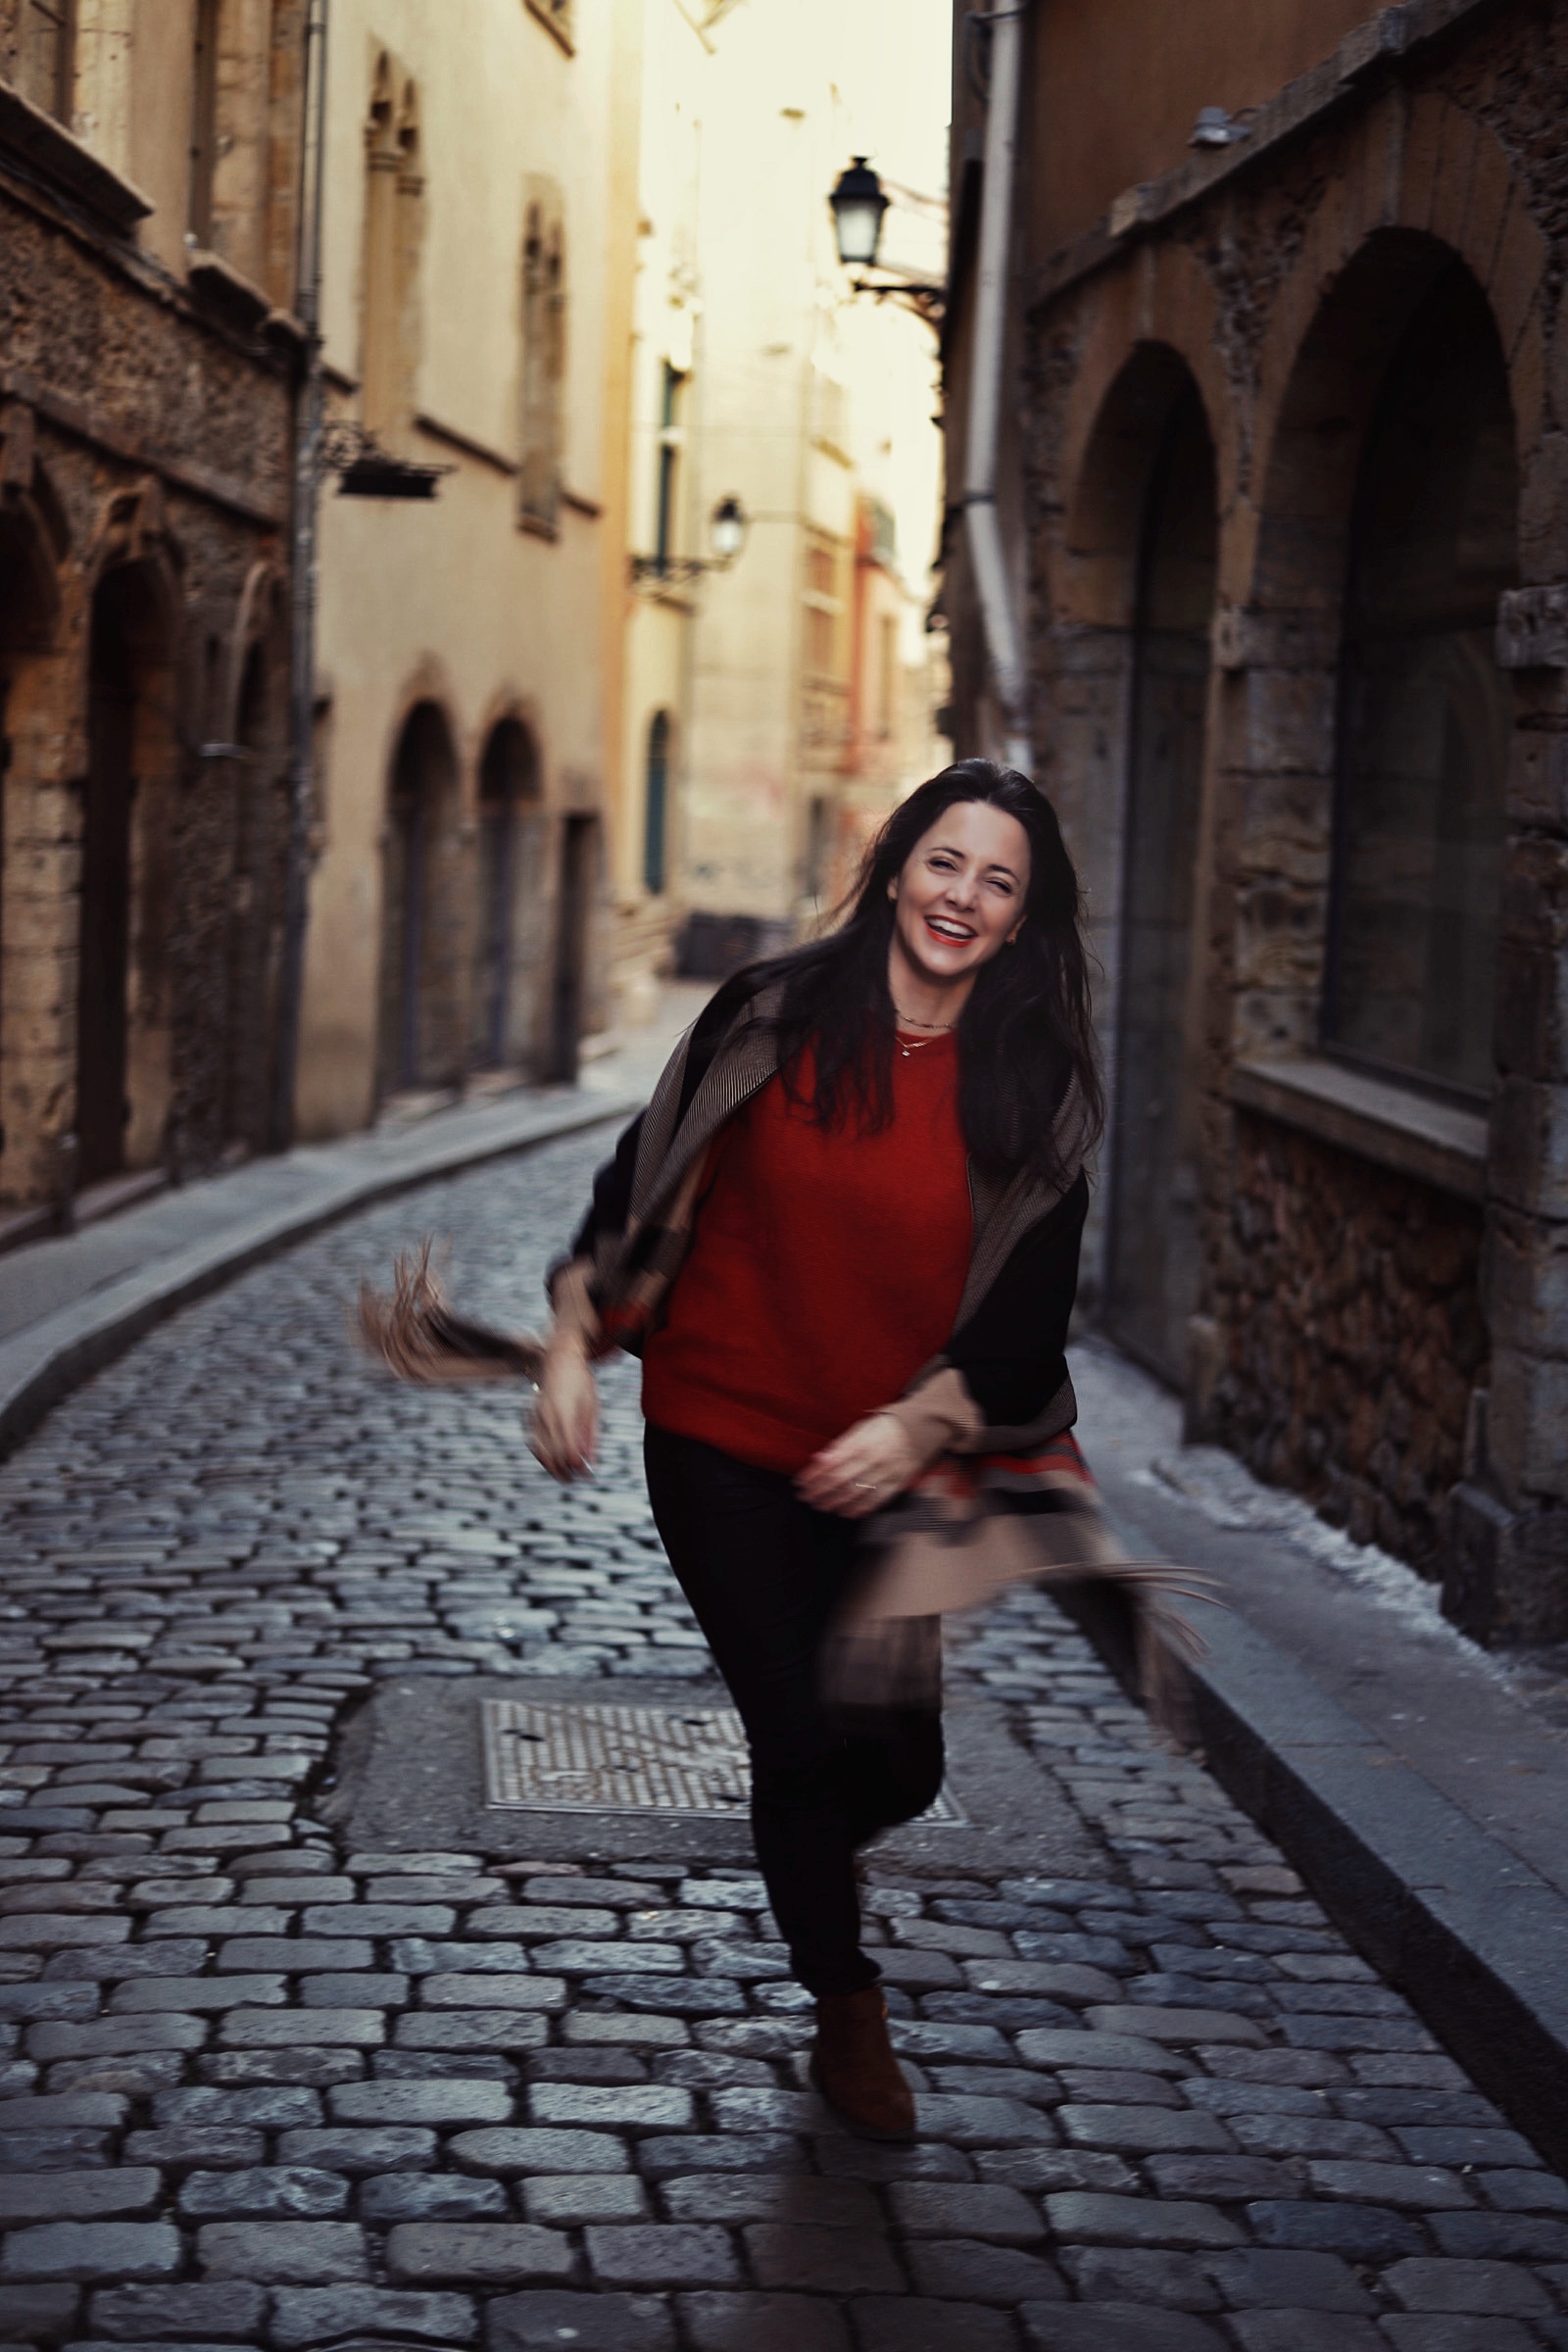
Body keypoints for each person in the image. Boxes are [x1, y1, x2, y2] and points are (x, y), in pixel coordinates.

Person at [529, 757, 1104, 2142]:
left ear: (1023, 921)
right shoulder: (772, 1012)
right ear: (898, 865)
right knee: (794, 1740)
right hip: (719, 1432)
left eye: (997, 881)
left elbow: (1025, 1327)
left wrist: (915, 1422)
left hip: (898, 1476)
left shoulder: (1037, 1094)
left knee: (896, 1769)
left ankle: (803, 1859)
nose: (962, 896)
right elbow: (643, 1178)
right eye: (944, 863)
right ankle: (849, 2009)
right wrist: (567, 1343)